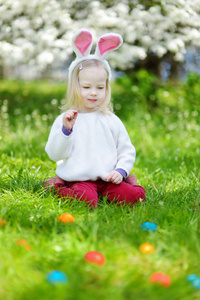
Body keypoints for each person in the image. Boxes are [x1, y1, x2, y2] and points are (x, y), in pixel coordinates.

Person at [45, 28, 145, 209]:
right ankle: (58, 185)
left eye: (100, 87)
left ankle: (130, 182)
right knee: (87, 202)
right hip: (79, 179)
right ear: (74, 87)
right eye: (86, 87)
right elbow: (55, 154)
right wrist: (66, 131)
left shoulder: (110, 120)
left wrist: (121, 171)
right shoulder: (66, 120)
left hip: (108, 179)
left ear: (107, 89)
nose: (93, 93)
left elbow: (126, 150)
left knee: (134, 198)